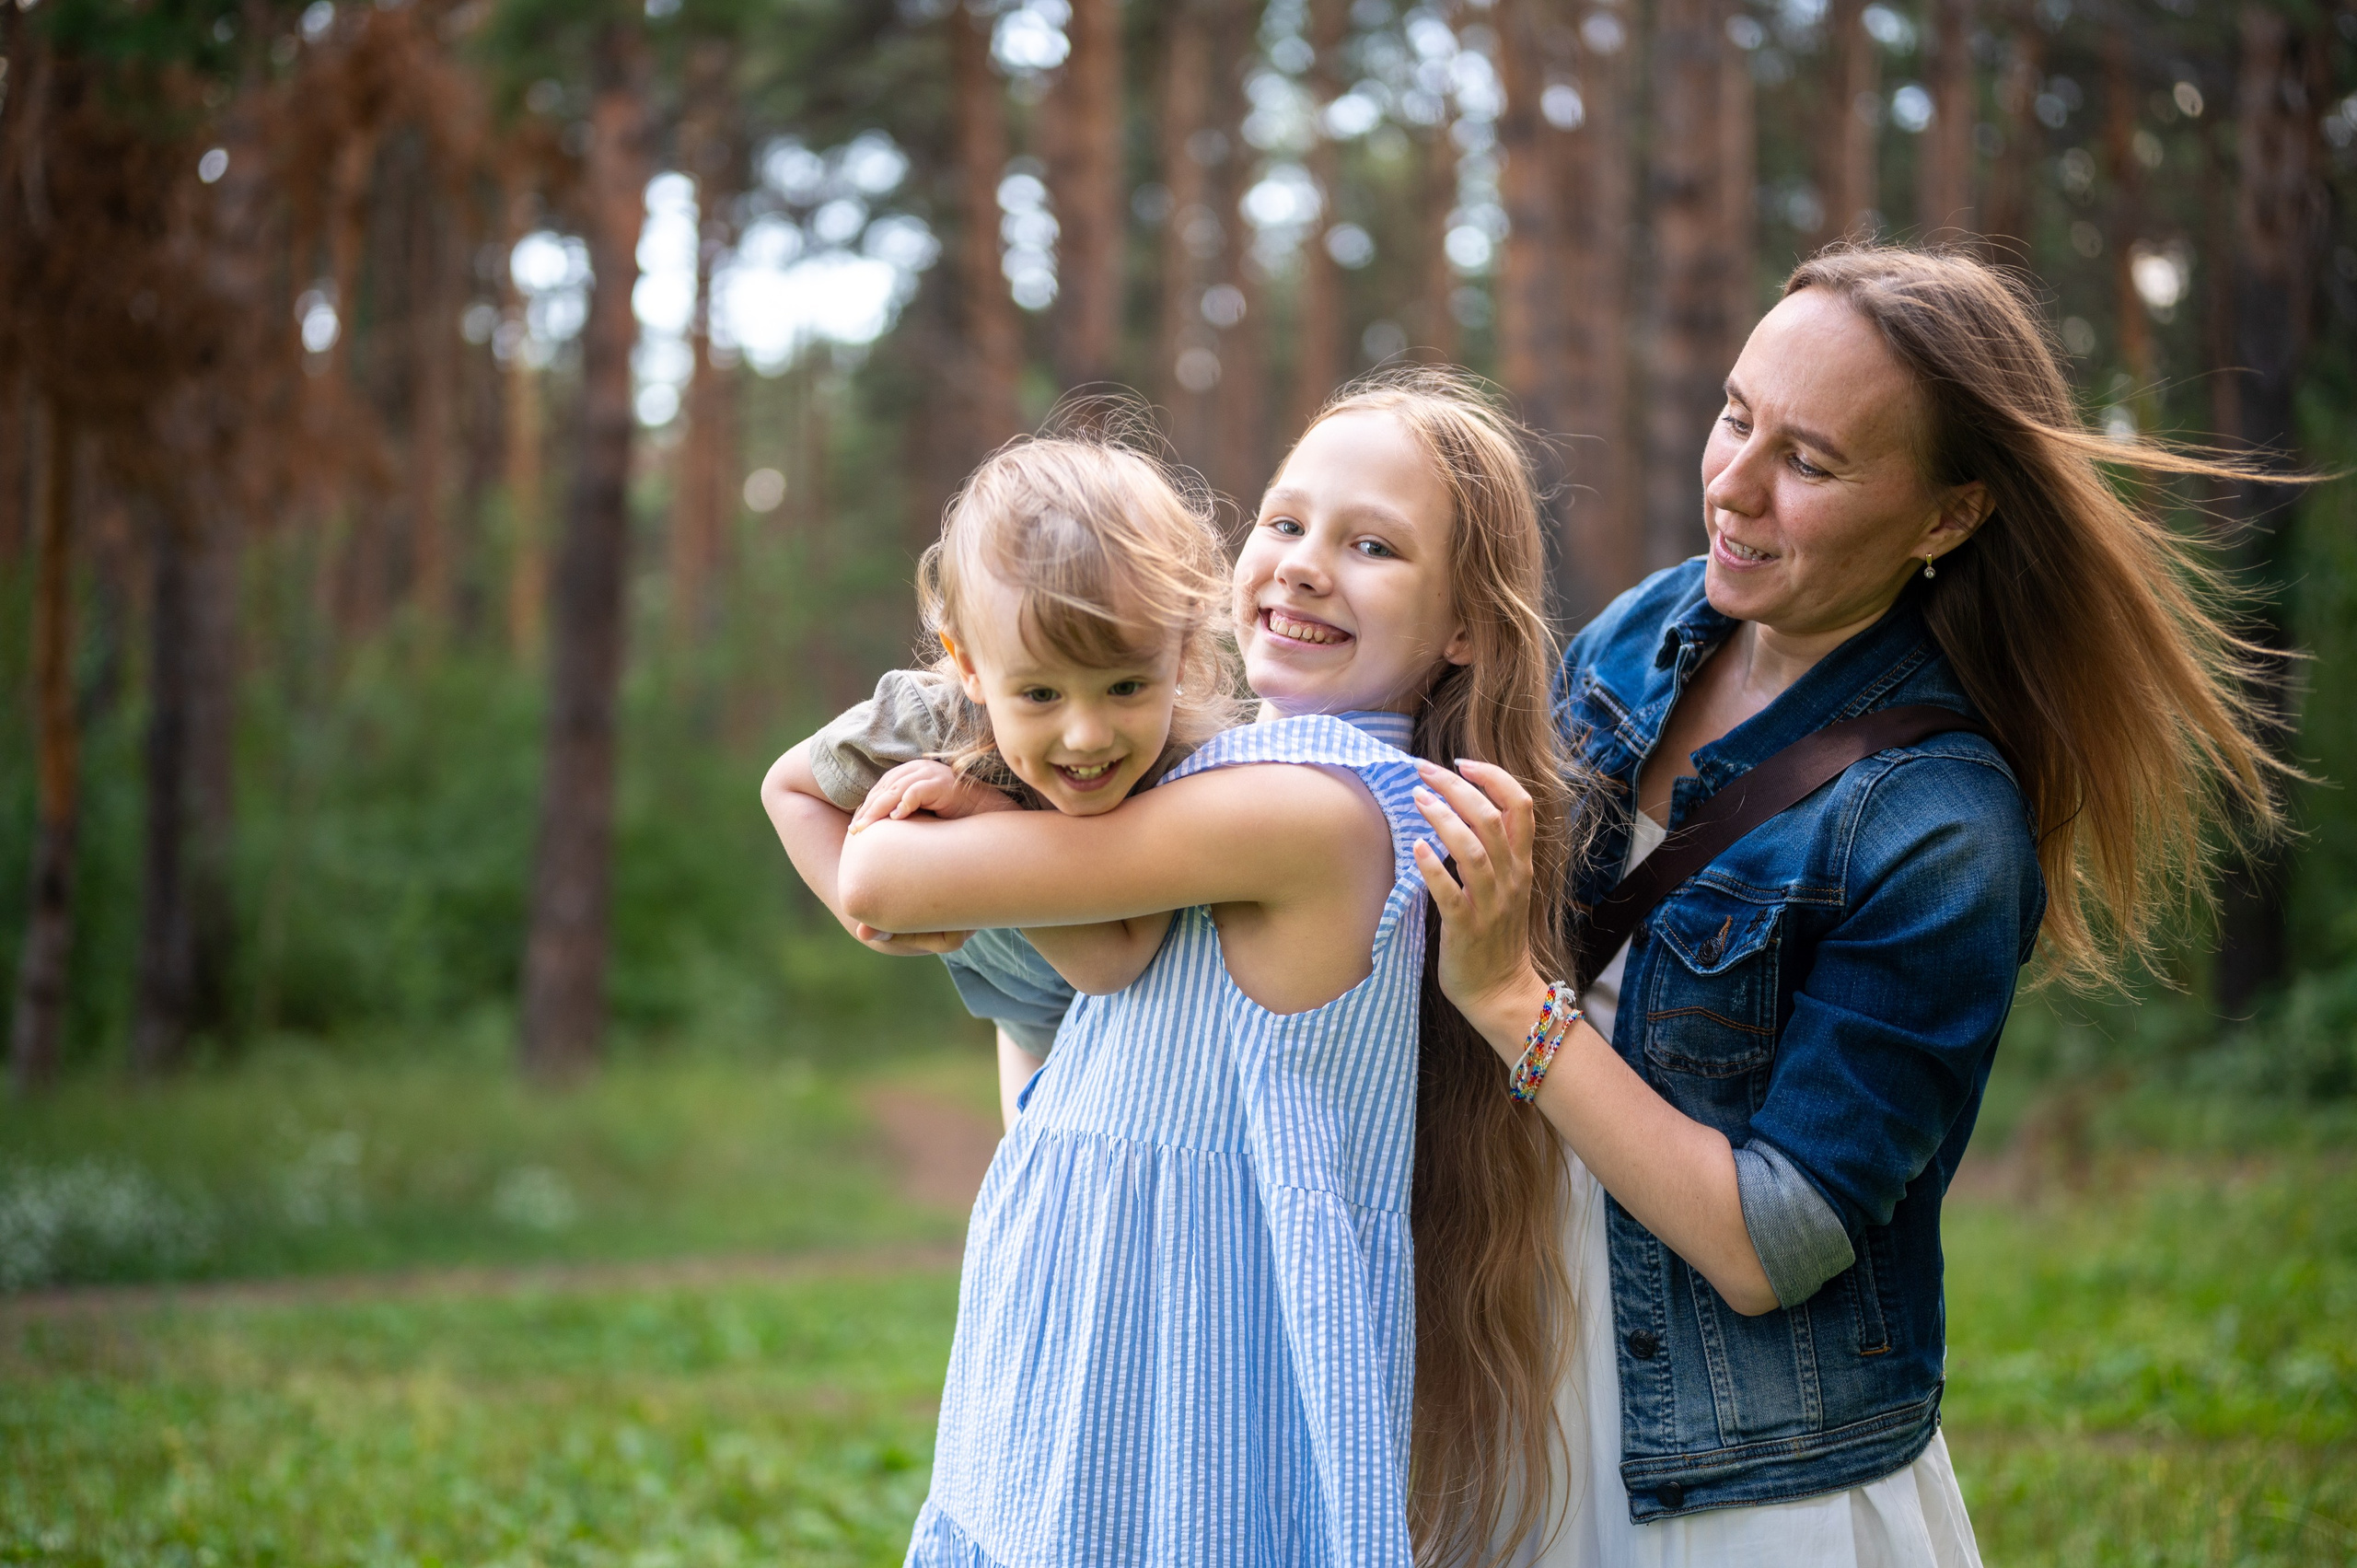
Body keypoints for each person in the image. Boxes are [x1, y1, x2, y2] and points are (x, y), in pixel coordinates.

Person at [1411, 244, 2287, 1565]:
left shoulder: (1941, 825)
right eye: (1734, 414)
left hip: (1731, 1459)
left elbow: (1772, 1241)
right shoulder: (1652, 627)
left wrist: (1503, 1000)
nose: (1734, 485)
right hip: (1513, 1347)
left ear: (1948, 516)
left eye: (1809, 463)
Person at [824, 370, 1583, 1567]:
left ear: (1464, 629)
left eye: (1372, 543)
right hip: (1089, 1339)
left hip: (1181, 1398)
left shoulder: (1319, 810)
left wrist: (933, 806)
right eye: (1284, 521)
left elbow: (875, 884)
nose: (1302, 562)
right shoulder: (1205, 778)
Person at [761, 431, 1239, 1128]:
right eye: (1041, 695)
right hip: (1024, 1028)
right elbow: (788, 787)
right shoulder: (931, 721)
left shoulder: (1191, 761)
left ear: (1185, 650)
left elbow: (1115, 961)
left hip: (1152, 1043)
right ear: (971, 665)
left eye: (1127, 685)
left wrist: (981, 809)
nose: (1088, 735)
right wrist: (857, 905)